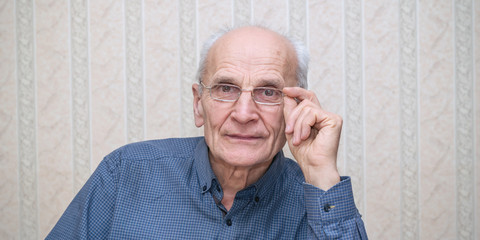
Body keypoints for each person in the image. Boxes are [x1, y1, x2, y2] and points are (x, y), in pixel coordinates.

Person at [47, 25, 367, 239]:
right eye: (226, 89)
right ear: (199, 103)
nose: (243, 114)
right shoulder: (124, 173)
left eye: (268, 92)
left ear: (296, 108)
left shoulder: (319, 203)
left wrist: (322, 174)